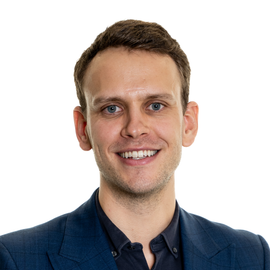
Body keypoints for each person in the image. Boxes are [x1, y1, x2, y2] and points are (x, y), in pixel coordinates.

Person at [0, 19, 269, 270]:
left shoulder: (253, 257)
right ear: (83, 130)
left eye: (155, 105)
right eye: (112, 108)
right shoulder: (14, 259)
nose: (134, 128)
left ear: (188, 124)